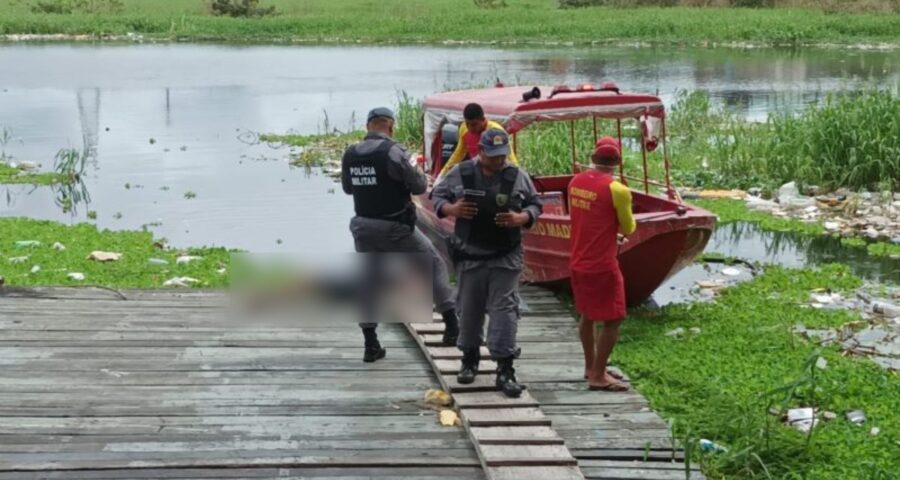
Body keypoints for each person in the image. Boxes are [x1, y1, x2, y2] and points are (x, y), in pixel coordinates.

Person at [342, 107, 460, 363]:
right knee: (433, 264)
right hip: (395, 228)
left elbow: (348, 189)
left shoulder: (350, 154)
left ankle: (370, 343)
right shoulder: (394, 152)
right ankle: (452, 327)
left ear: (368, 125)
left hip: (363, 227)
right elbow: (418, 185)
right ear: (391, 126)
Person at [432, 127, 542, 398]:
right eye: (492, 156)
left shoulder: (517, 176)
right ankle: (469, 359)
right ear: (480, 151)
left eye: (502, 156)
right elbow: (437, 196)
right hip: (470, 254)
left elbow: (537, 203)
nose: (498, 161)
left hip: (506, 254)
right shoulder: (462, 172)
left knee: (504, 310)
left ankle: (505, 368)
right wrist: (451, 209)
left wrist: (523, 218)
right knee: (470, 310)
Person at [567, 136, 636, 391]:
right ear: (618, 161)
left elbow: (588, 219)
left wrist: (609, 232)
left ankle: (591, 367)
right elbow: (629, 226)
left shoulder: (575, 181)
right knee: (614, 318)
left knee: (587, 314)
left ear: (594, 158)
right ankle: (598, 375)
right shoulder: (617, 189)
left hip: (577, 260)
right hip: (602, 264)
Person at [438, 103, 518, 178]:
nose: (470, 128)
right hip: (477, 174)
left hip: (495, 174)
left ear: (483, 120)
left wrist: (516, 174)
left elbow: (509, 155)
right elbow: (458, 153)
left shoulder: (496, 132)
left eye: (474, 124)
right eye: (467, 124)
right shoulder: (464, 129)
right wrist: (443, 174)